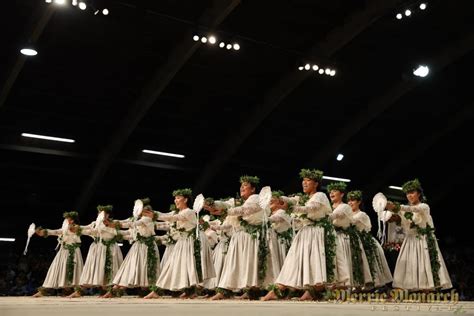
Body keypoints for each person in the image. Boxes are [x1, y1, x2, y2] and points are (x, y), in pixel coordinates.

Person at [263, 169, 335, 301]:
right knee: (293, 260)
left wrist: (289, 208)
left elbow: (309, 209)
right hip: (305, 232)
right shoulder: (302, 198)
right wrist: (277, 198)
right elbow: (289, 200)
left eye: (308, 180)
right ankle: (279, 289)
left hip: (316, 232)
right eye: (303, 180)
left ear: (316, 183)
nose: (304, 183)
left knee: (313, 263)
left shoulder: (320, 196)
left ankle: (311, 292)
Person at [146, 189, 215, 299]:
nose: (175, 200)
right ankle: (188, 291)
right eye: (175, 198)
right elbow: (169, 218)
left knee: (186, 265)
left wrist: (155, 215)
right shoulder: (181, 212)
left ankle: (161, 291)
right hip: (185, 240)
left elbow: (173, 218)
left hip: (193, 241)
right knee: (177, 264)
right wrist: (154, 218)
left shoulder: (189, 212)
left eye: (178, 198)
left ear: (186, 200)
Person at [211, 176, 272, 300]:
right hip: (240, 236)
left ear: (253, 189)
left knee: (248, 263)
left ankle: (248, 291)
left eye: (245, 185)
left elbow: (245, 210)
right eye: (241, 185)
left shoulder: (255, 198)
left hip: (250, 236)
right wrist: (212, 204)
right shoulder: (238, 201)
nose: (242, 187)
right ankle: (230, 290)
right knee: (236, 264)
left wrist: (224, 212)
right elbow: (225, 205)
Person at [386, 179, 452, 290]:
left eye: (412, 192)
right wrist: (392, 218)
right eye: (407, 193)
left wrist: (396, 207)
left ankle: (426, 290)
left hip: (423, 240)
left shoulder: (424, 206)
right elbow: (402, 223)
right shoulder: (403, 209)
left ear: (419, 194)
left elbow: (413, 209)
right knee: (407, 265)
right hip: (409, 240)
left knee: (424, 265)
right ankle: (404, 290)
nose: (409, 195)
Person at [106, 198, 160, 297]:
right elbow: (128, 223)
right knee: (129, 266)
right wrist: (112, 223)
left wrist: (113, 225)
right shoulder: (140, 219)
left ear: (145, 211)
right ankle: (116, 289)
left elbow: (132, 224)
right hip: (139, 246)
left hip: (147, 246)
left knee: (147, 267)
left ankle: (151, 290)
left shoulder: (146, 219)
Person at [67, 205, 124, 297]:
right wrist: (76, 227)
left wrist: (83, 230)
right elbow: (86, 228)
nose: (100, 214)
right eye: (99, 212)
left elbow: (113, 232)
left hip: (110, 248)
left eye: (103, 213)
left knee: (111, 269)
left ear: (108, 215)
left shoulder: (113, 223)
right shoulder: (94, 223)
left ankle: (111, 291)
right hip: (97, 248)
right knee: (93, 269)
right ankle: (80, 291)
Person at [328, 182, 373, 289]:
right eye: (330, 191)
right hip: (331, 237)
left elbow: (334, 217)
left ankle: (345, 286)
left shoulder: (345, 207)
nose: (331, 193)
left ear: (342, 194)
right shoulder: (329, 207)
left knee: (343, 262)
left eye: (334, 191)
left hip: (342, 237)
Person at [347, 190, 393, 288]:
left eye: (353, 200)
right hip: (353, 242)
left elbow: (351, 223)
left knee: (368, 265)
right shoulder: (348, 214)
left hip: (364, 242)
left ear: (358, 202)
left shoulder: (361, 215)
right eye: (349, 201)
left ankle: (371, 286)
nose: (350, 203)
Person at [32, 211, 84, 297]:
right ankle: (44, 290)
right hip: (63, 251)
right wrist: (44, 232)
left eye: (68, 219)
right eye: (66, 219)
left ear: (73, 220)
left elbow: (79, 230)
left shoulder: (77, 227)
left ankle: (78, 291)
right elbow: (56, 231)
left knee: (75, 271)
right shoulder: (64, 228)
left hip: (74, 251)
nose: (66, 220)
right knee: (55, 269)